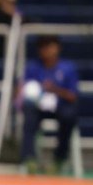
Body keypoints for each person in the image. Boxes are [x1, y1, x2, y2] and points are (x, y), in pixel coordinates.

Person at [18, 35, 81, 173]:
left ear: (57, 48)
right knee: (28, 112)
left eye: (50, 46)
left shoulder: (68, 68)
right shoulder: (33, 67)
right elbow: (23, 89)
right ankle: (29, 159)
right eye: (44, 47)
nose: (47, 51)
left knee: (69, 116)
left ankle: (59, 159)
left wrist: (54, 89)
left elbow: (72, 96)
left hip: (60, 105)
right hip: (38, 106)